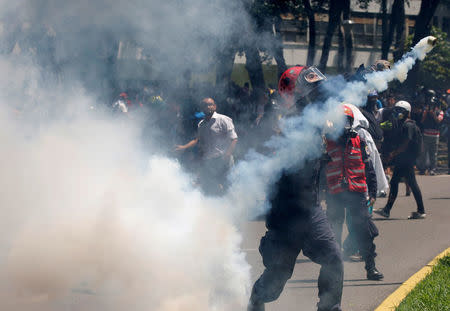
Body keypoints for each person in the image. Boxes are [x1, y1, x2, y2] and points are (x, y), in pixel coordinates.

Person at [248, 66, 343, 311]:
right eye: (310, 89)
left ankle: (330, 308)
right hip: (286, 213)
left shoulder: (311, 116)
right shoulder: (288, 118)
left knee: (333, 259)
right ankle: (255, 302)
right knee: (276, 279)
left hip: (310, 209)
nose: (318, 94)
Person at [324, 104, 383, 280]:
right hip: (334, 193)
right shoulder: (326, 142)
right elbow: (319, 171)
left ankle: (370, 267)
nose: (344, 124)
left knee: (363, 230)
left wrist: (372, 192)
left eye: (347, 121)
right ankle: (334, 271)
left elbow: (369, 167)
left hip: (356, 192)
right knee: (333, 233)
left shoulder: (359, 140)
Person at [374, 101, 426, 219]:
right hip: (404, 158)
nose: (397, 113)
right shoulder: (401, 123)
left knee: (400, 182)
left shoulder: (409, 125)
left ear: (407, 113)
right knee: (409, 183)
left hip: (407, 158)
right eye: (396, 110)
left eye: (400, 111)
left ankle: (388, 210)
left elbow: (405, 143)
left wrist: (393, 154)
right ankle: (420, 210)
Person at [175, 98, 238, 195]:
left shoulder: (223, 119)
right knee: (211, 187)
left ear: (215, 106)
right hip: (210, 161)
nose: (208, 107)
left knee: (228, 186)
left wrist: (227, 155)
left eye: (210, 104)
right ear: (202, 108)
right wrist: (185, 148)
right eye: (205, 105)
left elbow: (234, 139)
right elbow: (199, 141)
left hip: (224, 159)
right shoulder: (201, 124)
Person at [417, 90, 444, 175]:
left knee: (433, 154)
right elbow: (422, 121)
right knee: (423, 153)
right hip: (426, 134)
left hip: (435, 135)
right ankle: (422, 169)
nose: (432, 106)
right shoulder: (425, 110)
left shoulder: (440, 112)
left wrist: (432, 114)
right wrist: (426, 113)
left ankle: (433, 169)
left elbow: (438, 120)